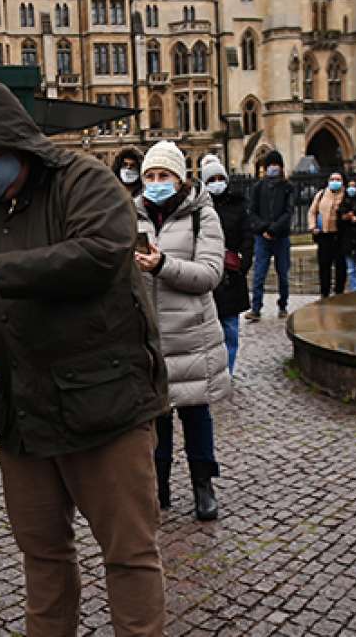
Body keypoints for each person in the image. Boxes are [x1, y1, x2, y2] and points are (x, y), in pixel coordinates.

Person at [0, 79, 169, 636]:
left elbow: (100, 254)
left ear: (16, 146)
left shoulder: (82, 181)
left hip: (106, 404)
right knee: (43, 558)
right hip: (26, 414)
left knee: (129, 554)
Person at [132, 142, 232, 521]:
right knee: (156, 420)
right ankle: (158, 490)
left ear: (179, 178)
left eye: (164, 176)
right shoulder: (132, 214)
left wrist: (161, 265)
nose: (156, 183)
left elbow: (208, 274)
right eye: (150, 177)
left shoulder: (201, 215)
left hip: (191, 334)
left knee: (195, 415)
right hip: (151, 337)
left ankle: (203, 485)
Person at [202, 155, 252, 374]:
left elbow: (247, 237)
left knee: (230, 327)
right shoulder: (200, 207)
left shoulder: (238, 205)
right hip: (208, 274)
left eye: (220, 177)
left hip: (232, 275)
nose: (216, 182)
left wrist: (243, 265)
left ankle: (228, 371)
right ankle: (213, 370)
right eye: (211, 179)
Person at [245, 151, 295, 321]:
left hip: (281, 237)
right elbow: (252, 212)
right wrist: (264, 228)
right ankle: (256, 308)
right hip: (262, 238)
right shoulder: (258, 187)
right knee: (259, 274)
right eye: (271, 165)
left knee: (283, 274)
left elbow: (288, 212)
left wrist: (274, 229)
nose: (274, 168)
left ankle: (283, 305)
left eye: (276, 165)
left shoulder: (288, 187)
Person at [307, 172, 348, 298]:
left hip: (340, 235)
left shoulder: (346, 195)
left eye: (338, 179)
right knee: (324, 264)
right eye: (332, 179)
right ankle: (324, 292)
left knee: (341, 266)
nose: (335, 181)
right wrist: (313, 226)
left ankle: (339, 291)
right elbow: (312, 212)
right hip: (324, 235)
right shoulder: (321, 194)